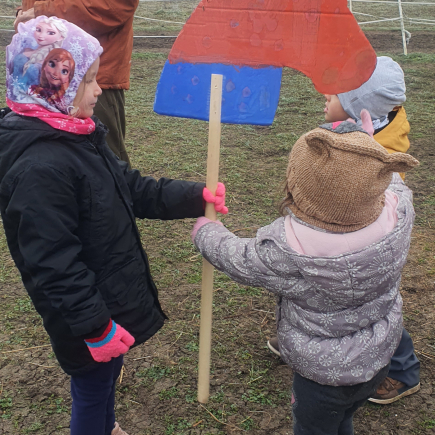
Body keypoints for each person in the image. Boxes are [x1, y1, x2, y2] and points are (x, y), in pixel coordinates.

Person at [1, 17, 227, 435]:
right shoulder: (38, 168)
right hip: (83, 316)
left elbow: (132, 188)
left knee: (105, 376)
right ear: (54, 86)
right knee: (91, 385)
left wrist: (194, 196)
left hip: (106, 301)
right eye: (87, 81)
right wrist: (96, 327)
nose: (100, 89)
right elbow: (53, 265)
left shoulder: (78, 136)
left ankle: (106, 425)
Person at [191, 114, 419, 434]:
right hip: (378, 361)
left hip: (322, 379)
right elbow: (389, 179)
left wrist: (206, 234)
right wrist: (365, 152)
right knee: (345, 417)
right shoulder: (400, 212)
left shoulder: (291, 250)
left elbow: (239, 259)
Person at [268, 56, 421, 405]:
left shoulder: (376, 156)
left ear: (358, 106)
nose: (324, 93)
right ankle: (307, 341)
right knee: (330, 299)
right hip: (339, 243)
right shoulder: (356, 133)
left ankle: (402, 370)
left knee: (371, 307)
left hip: (362, 252)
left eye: (336, 91)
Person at [15, 0, 140, 166]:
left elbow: (112, 6)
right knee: (39, 157)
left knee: (99, 163)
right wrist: (25, 14)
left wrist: (41, 12)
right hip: (38, 77)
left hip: (88, 80)